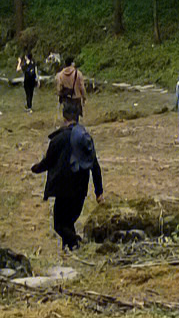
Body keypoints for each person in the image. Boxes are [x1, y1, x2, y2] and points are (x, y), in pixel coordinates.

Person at [31, 99, 104, 250]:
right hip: (80, 189)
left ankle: (76, 243)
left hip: (62, 190)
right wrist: (99, 191)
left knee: (59, 225)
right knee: (69, 222)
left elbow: (48, 162)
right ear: (78, 117)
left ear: (64, 117)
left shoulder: (58, 139)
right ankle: (69, 250)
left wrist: (35, 168)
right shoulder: (85, 138)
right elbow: (94, 165)